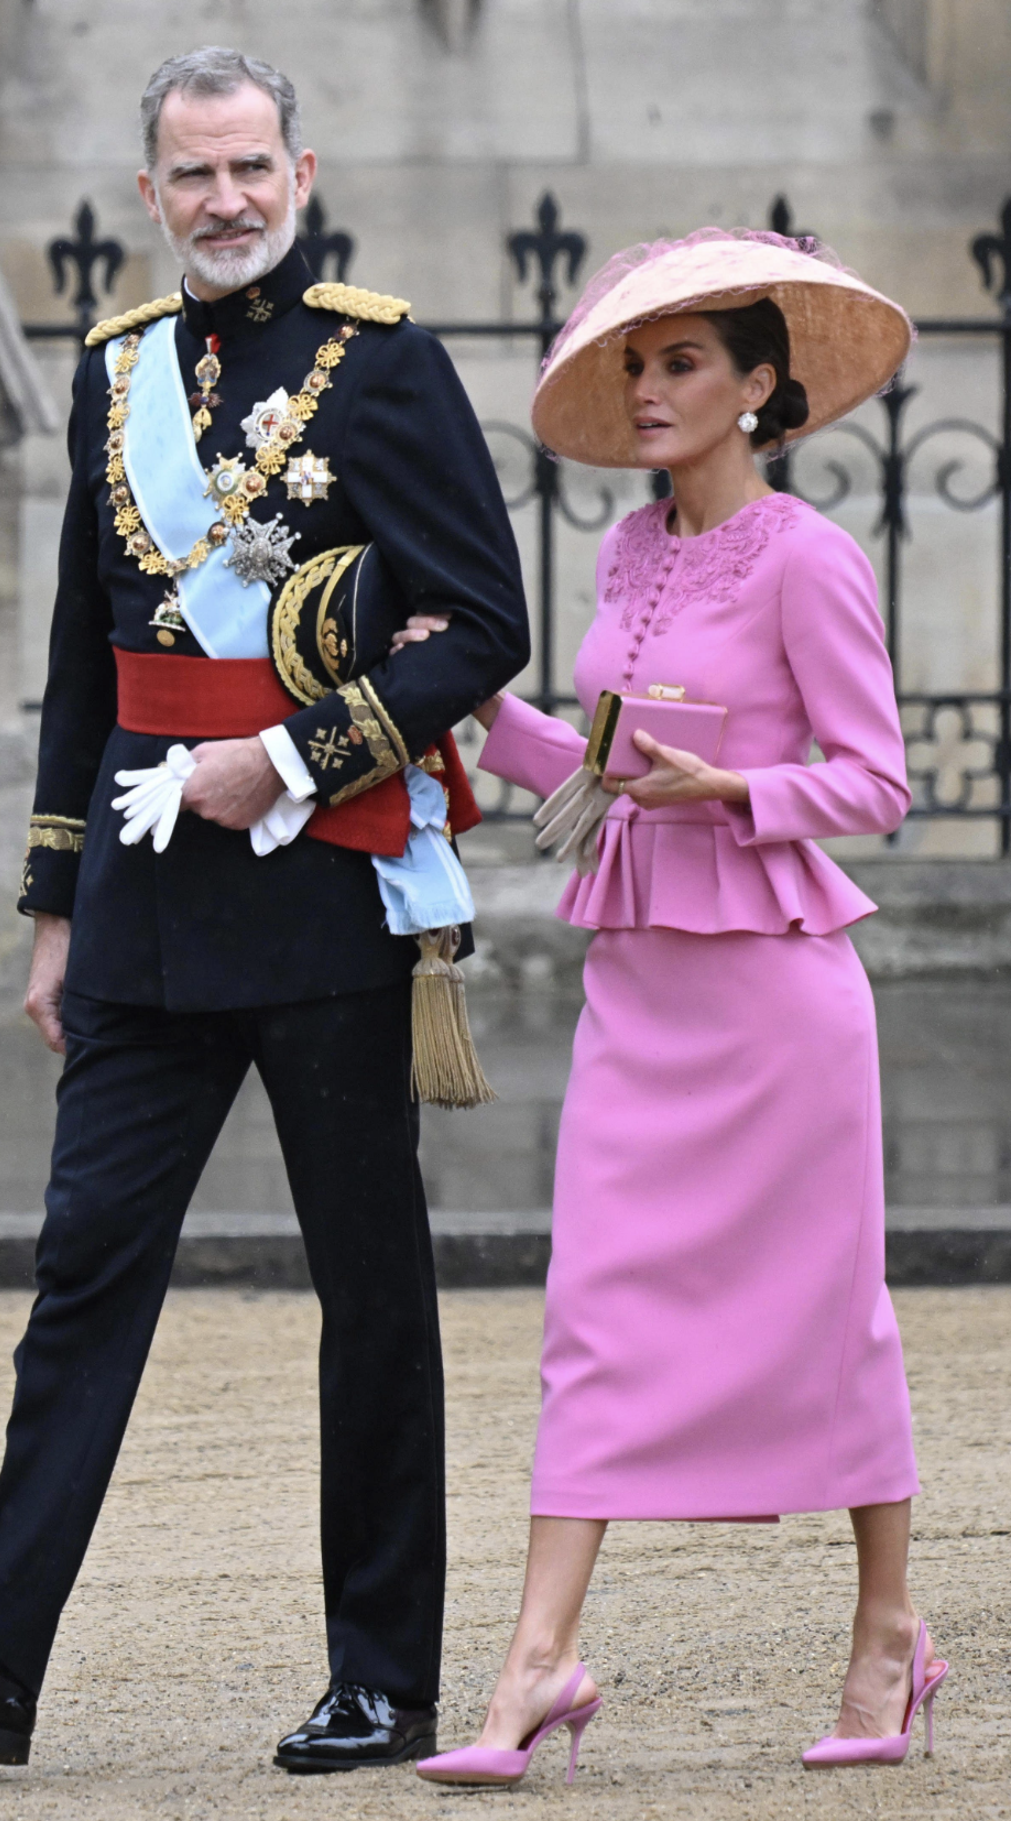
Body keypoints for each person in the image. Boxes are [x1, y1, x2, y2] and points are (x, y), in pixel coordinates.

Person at [0, 46, 528, 1776]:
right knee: (81, 1279)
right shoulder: (117, 368)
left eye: (252, 168)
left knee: (368, 1298)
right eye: (193, 175)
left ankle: (384, 1679)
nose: (225, 200)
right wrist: (53, 907)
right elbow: (86, 659)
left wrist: (289, 761)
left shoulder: (389, 363)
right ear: (152, 193)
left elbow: (479, 624)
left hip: (324, 903)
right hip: (140, 914)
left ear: (301, 169)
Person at [413, 227, 949, 1788]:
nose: (649, 391)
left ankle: (886, 1633)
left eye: (684, 364)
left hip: (780, 1003)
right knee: (594, 1319)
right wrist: (448, 704)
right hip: (637, 999)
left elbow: (879, 785)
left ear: (761, 387)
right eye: (636, 366)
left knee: (830, 1320)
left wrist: (743, 791)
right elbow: (594, 774)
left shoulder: (810, 556)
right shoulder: (629, 555)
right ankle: (534, 1667)